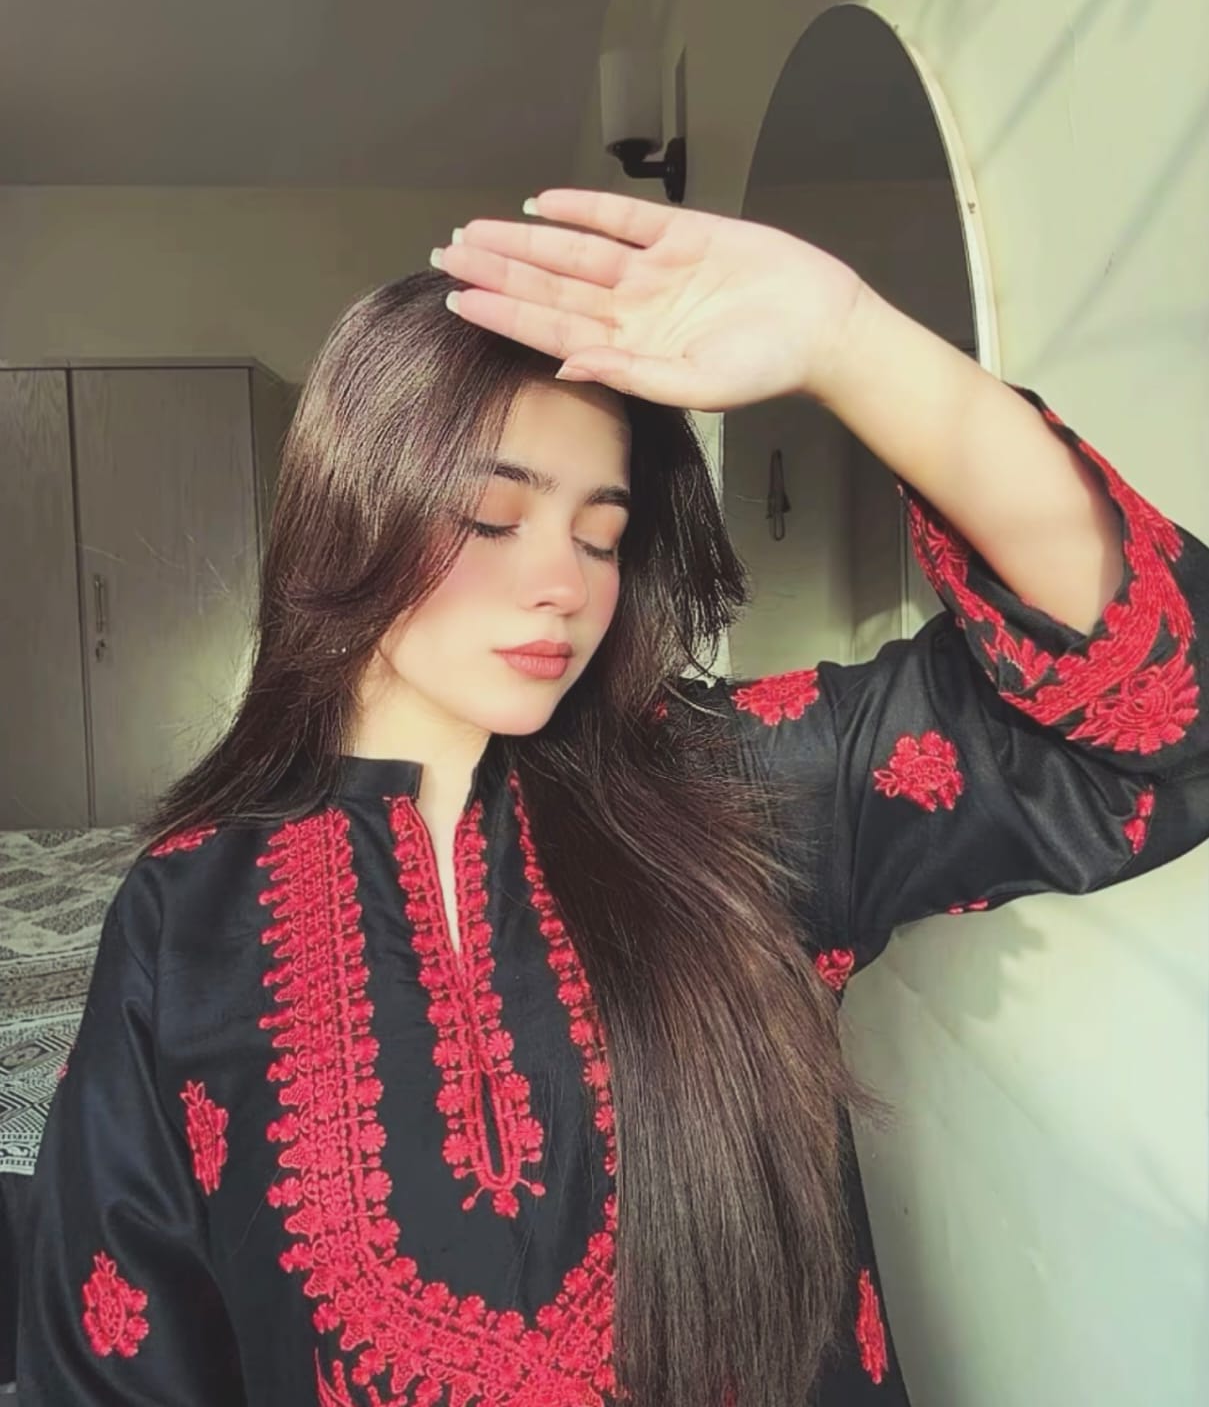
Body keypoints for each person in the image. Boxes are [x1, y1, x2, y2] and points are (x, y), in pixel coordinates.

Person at [16, 189, 1209, 1407]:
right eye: (493, 517)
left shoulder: (741, 790)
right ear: (353, 512)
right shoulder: (189, 908)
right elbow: (111, 1360)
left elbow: (1164, 708)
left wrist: (848, 339)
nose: (564, 583)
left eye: (600, 535)